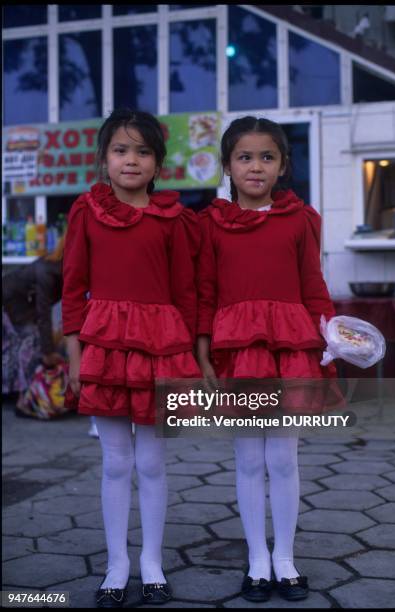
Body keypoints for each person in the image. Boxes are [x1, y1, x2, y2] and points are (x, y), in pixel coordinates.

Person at [62, 108, 200, 608]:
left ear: (159, 164)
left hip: (161, 350)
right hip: (104, 350)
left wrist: (188, 360)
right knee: (116, 463)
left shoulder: (175, 219)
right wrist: (75, 354)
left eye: (143, 151)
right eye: (121, 150)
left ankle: (152, 561)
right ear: (104, 160)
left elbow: (186, 293)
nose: (131, 160)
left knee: (153, 463)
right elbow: (73, 285)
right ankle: (116, 563)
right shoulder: (86, 211)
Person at [196, 116, 337, 602]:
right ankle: (257, 558)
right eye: (244, 157)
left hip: (291, 347)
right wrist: (205, 352)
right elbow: (206, 293)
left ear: (282, 165)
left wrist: (329, 338)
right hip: (238, 351)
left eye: (267, 157)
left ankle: (286, 558)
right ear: (228, 166)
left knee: (283, 456)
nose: (256, 167)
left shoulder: (302, 219)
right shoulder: (209, 224)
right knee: (248, 459)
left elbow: (313, 285)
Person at [2, 234, 65, 408]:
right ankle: (26, 399)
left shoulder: (57, 267)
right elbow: (43, 313)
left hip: (18, 306)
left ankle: (25, 396)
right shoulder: (48, 272)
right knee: (32, 342)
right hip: (9, 305)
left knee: (32, 341)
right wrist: (48, 352)